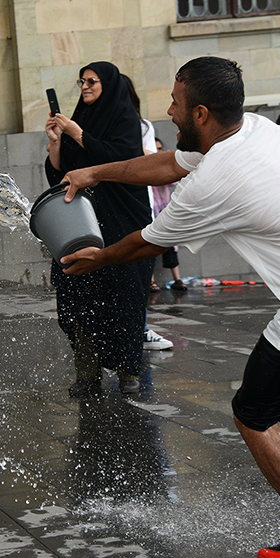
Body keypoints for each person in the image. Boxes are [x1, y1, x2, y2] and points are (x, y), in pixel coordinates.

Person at [58, 56, 280, 558]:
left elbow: (146, 242)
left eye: (175, 103)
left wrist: (100, 256)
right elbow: (171, 164)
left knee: (254, 416)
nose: (168, 111)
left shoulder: (219, 180)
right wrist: (94, 171)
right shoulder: (260, 131)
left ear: (200, 113)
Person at [45, 61, 153, 395]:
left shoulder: (125, 121)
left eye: (93, 81)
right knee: (77, 297)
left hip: (121, 222)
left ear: (109, 84)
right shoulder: (81, 120)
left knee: (124, 298)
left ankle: (128, 372)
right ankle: (87, 373)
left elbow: (119, 161)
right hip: (81, 222)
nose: (86, 87)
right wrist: (55, 142)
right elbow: (57, 176)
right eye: (82, 81)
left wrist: (76, 133)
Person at [121, 74, 175, 352]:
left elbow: (150, 159)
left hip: (140, 206)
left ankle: (140, 328)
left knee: (139, 272)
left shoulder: (142, 126)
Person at [150, 138, 187, 295]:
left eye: (160, 148)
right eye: (155, 148)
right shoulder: (145, 167)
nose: (158, 151)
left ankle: (177, 279)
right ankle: (150, 281)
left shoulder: (162, 167)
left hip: (164, 210)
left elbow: (173, 180)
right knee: (148, 245)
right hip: (150, 211)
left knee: (171, 244)